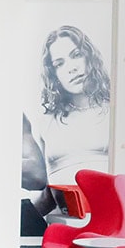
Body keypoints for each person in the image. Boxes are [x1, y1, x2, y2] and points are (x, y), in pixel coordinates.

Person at [21, 25, 111, 228]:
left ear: (89, 58)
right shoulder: (47, 121)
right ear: (54, 75)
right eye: (59, 64)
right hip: (62, 216)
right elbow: (47, 192)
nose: (72, 68)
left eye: (76, 55)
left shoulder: (114, 113)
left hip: (106, 215)